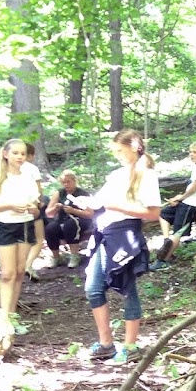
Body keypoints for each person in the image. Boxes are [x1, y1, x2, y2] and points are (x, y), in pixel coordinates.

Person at [78, 129, 161, 365]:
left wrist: (119, 207)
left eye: (120, 150)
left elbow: (154, 213)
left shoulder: (147, 175)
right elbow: (99, 203)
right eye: (114, 151)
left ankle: (131, 346)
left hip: (125, 234)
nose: (117, 155)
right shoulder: (116, 175)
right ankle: (106, 344)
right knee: (93, 288)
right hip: (104, 232)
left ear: (134, 147)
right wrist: (87, 203)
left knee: (127, 287)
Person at [0, 139, 40, 316]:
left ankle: (11, 315)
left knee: (20, 272)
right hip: (5, 226)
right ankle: (3, 317)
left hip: (26, 225)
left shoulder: (28, 175)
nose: (20, 157)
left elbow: (36, 204)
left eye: (22, 153)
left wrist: (33, 208)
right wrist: (9, 206)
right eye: (15, 153)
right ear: (5, 154)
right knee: (7, 274)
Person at [151, 141, 196, 270]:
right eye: (190, 152)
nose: (191, 154)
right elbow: (191, 188)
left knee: (178, 231)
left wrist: (181, 198)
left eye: (195, 152)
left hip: (191, 204)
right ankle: (167, 241)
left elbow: (194, 188)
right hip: (186, 201)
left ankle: (164, 260)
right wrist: (179, 199)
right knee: (164, 214)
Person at [43, 170, 93, 269]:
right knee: (50, 228)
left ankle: (74, 256)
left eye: (68, 181)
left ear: (74, 181)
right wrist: (55, 208)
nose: (66, 184)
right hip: (62, 220)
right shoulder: (59, 193)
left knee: (71, 225)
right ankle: (56, 257)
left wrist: (73, 210)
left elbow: (89, 214)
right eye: (63, 182)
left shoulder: (83, 194)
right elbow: (48, 213)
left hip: (80, 220)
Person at [21, 142, 47, 281]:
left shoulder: (8, 168)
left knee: (22, 238)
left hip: (16, 209)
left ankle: (21, 265)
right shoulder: (32, 168)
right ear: (30, 155)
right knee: (39, 238)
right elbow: (38, 189)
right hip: (32, 206)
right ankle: (28, 265)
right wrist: (40, 202)